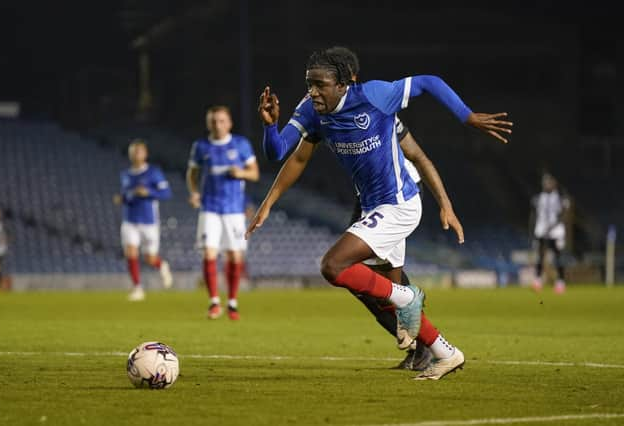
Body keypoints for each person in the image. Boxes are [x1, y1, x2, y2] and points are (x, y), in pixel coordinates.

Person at [249, 47, 512, 379]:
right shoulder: (311, 110)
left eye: (320, 84)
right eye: (309, 83)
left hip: (399, 205)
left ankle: (407, 298)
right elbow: (281, 153)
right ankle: (447, 353)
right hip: (373, 207)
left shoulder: (375, 96)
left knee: (334, 266)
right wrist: (269, 127)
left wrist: (468, 117)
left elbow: (428, 82)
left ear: (345, 83)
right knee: (378, 295)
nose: (312, 91)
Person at [186, 105, 260, 320]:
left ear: (229, 123)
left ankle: (233, 302)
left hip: (234, 210)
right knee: (209, 253)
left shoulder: (241, 144)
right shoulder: (200, 146)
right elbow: (192, 173)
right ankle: (214, 302)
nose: (217, 125)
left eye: (221, 121)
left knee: (235, 256)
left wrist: (241, 172)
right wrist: (193, 192)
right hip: (209, 207)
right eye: (213, 121)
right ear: (208, 123)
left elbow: (254, 174)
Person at [113, 140, 173, 301]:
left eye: (139, 151)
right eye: (133, 151)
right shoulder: (125, 174)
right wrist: (122, 198)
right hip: (130, 219)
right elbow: (127, 195)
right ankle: (137, 288)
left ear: (145, 154)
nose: (136, 154)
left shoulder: (154, 172)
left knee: (149, 258)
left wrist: (148, 192)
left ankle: (162, 265)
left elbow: (166, 193)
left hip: (149, 220)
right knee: (130, 252)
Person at [530, 172, 570, 294]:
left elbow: (564, 214)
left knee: (558, 257)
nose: (547, 184)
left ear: (554, 183)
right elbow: (534, 215)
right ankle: (537, 280)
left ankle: (560, 282)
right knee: (540, 255)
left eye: (549, 182)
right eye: (545, 182)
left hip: (556, 230)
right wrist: (534, 231)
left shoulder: (560, 197)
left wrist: (554, 226)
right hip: (541, 229)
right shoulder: (538, 198)